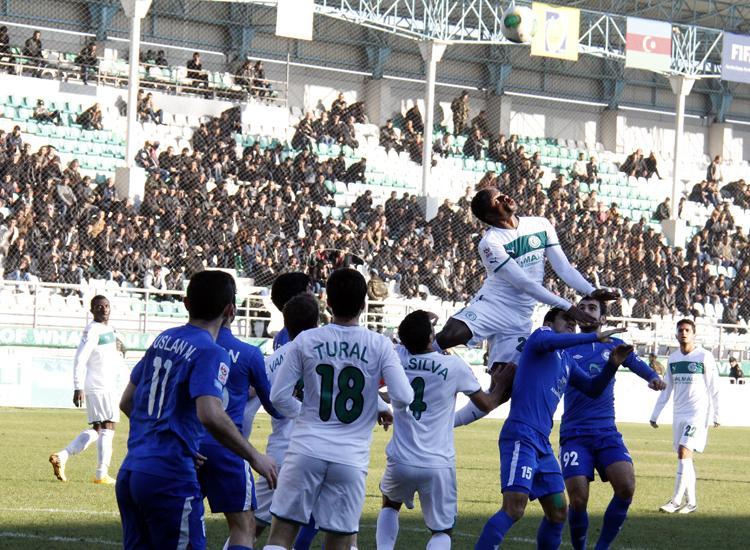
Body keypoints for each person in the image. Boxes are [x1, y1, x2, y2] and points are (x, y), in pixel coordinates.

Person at [116, 270, 277, 550]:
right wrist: (255, 456)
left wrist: (168, 436)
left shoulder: (164, 339)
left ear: (186, 303)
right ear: (230, 311)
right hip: (170, 476)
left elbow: (127, 401)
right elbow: (210, 413)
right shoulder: (211, 351)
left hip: (132, 471)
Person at [436, 188, 617, 426]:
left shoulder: (540, 224)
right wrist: (568, 306)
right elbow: (524, 283)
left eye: (502, 193)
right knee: (451, 335)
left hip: (520, 317)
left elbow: (563, 268)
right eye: (497, 199)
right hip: (493, 305)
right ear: (489, 215)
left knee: (502, 389)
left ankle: (444, 424)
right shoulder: (490, 242)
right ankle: (403, 364)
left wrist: (591, 291)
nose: (505, 197)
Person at [264, 268, 414, 550]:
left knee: (280, 537)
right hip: (350, 458)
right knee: (340, 543)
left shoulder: (307, 340)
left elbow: (278, 396)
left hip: (305, 450)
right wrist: (375, 406)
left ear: (328, 303)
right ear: (364, 304)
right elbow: (404, 397)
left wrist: (307, 414)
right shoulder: (379, 344)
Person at [475, 308, 632, 550]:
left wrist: (612, 365)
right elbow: (551, 341)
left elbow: (592, 389)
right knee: (514, 507)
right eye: (566, 319)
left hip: (542, 444)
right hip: (521, 435)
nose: (572, 324)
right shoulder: (540, 337)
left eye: (574, 322)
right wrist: (593, 336)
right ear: (549, 323)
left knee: (558, 511)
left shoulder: (567, 360)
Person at [376, 310, 515, 550]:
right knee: (442, 531)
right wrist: (501, 386)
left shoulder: (397, 359)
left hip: (400, 459)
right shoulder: (454, 366)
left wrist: (382, 406)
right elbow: (487, 404)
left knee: (390, 505)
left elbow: (381, 385)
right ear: (431, 337)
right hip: (438, 462)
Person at [560, 297, 665, 550]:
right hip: (574, 434)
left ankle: (602, 547)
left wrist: (652, 377)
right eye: (582, 308)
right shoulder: (566, 347)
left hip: (606, 432)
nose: (586, 311)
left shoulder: (614, 345)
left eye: (592, 308)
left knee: (626, 486)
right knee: (578, 499)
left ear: (603, 318)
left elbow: (635, 362)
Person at [197, 295, 282, 550]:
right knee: (244, 527)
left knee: (186, 522)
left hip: (189, 446)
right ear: (231, 311)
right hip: (229, 447)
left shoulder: (189, 346)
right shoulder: (249, 353)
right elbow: (273, 406)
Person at [254, 294, 320, 544]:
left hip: (279, 453)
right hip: (318, 448)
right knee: (337, 528)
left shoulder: (271, 361)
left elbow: (256, 397)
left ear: (286, 324)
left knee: (250, 527)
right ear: (317, 322)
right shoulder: (327, 352)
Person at [49, 296, 124, 484]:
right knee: (109, 426)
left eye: (106, 306)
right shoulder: (92, 330)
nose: (104, 309)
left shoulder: (109, 329)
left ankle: (62, 456)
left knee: (98, 429)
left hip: (105, 385)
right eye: (99, 307)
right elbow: (80, 359)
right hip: (100, 386)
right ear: (92, 311)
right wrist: (77, 387)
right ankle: (101, 474)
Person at [650, 319, 720, 514]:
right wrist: (655, 414)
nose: (684, 333)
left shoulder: (704, 356)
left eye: (687, 330)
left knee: (684, 452)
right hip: (678, 413)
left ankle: (675, 501)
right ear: (676, 334)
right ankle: (692, 503)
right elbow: (667, 389)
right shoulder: (673, 359)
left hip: (697, 413)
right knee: (685, 459)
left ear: (694, 334)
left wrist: (717, 414)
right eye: (680, 330)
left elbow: (714, 387)